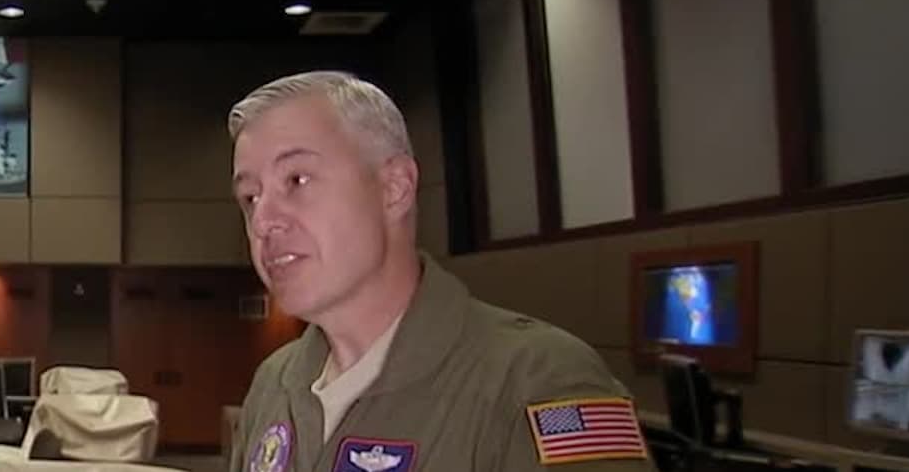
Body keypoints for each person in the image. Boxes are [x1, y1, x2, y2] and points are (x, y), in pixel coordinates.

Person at [225, 72, 650, 472]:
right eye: (250, 197)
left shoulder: (540, 381)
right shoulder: (274, 381)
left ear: (395, 188)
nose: (263, 221)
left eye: (297, 180)